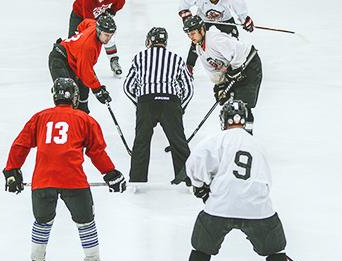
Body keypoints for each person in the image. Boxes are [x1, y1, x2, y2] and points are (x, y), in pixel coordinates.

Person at [177, 99, 298, 261]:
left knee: (201, 249)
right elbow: (266, 181)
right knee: (275, 251)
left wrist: (200, 187)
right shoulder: (257, 144)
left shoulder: (215, 140)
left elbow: (194, 165)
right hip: (257, 210)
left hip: (219, 208)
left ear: (223, 119)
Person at [3, 77, 126, 261]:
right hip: (74, 182)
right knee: (85, 223)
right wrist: (110, 173)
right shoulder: (84, 119)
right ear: (75, 97)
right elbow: (96, 152)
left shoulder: (40, 118)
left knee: (42, 222)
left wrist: (12, 171)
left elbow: (20, 145)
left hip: (42, 181)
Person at [123, 27, 194, 184]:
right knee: (178, 141)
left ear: (149, 41)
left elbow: (128, 86)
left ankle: (137, 179)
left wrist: (140, 104)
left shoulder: (140, 57)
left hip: (146, 101)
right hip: (171, 102)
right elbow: (188, 88)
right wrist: (180, 107)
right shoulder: (176, 59)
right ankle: (187, 178)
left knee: (141, 141)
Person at [182, 15, 261, 134]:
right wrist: (220, 85)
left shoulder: (215, 40)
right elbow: (213, 71)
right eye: (188, 35)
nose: (191, 37)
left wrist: (235, 69)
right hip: (234, 69)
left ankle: (247, 135)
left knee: (242, 104)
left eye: (193, 33)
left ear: (202, 30)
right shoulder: (199, 49)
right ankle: (231, 134)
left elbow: (238, 51)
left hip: (249, 64)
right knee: (229, 104)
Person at [177, 0, 254, 74]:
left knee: (233, 40)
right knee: (197, 41)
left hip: (224, 20)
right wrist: (186, 15)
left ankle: (237, 62)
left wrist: (245, 20)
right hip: (204, 20)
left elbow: (239, 9)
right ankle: (189, 65)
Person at [48, 15, 116, 113]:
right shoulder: (88, 47)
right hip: (60, 59)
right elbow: (85, 71)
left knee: (83, 90)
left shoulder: (94, 26)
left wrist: (78, 37)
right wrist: (98, 90)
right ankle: (67, 120)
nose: (108, 39)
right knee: (67, 93)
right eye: (106, 35)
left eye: (111, 35)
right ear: (99, 31)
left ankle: (82, 117)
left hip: (73, 60)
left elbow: (85, 22)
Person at [69, 0, 126, 76]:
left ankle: (114, 61)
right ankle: (72, 63)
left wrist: (111, 12)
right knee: (75, 40)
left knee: (107, 35)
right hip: (79, 16)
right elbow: (88, 21)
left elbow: (121, 1)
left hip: (96, 17)